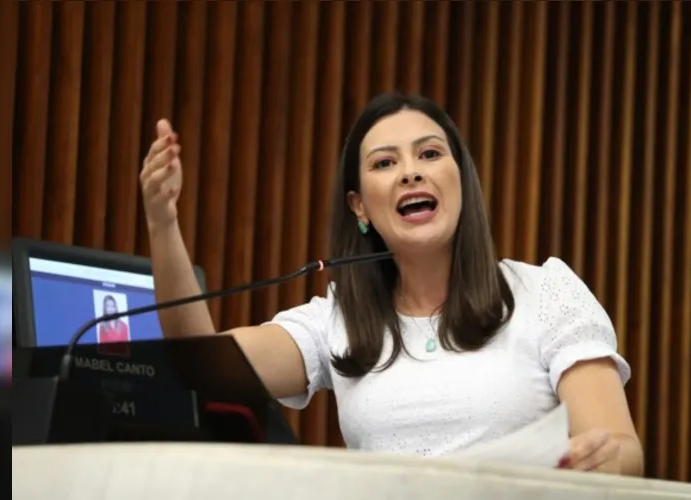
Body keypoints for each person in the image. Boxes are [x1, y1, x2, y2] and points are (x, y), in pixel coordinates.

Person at [139, 93, 643, 475]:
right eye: (385, 163)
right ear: (360, 207)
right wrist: (164, 226)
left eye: (429, 154)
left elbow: (621, 447)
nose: (410, 173)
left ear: (460, 179)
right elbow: (204, 364)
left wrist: (602, 457)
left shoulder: (545, 294)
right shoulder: (336, 321)